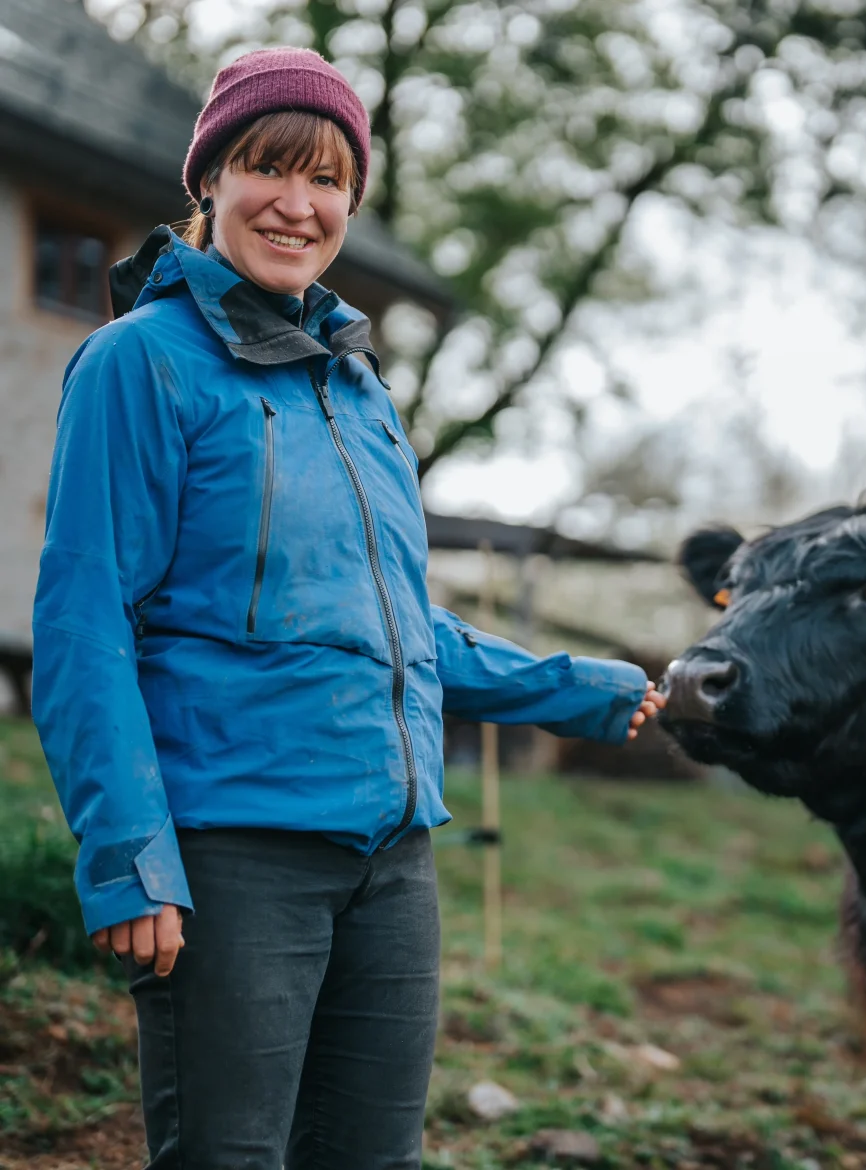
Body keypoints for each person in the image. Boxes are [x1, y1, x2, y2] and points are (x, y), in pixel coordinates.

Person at [31, 47, 665, 1170]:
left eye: (326, 179)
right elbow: (85, 628)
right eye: (266, 168)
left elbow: (403, 634)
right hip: (236, 856)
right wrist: (132, 859)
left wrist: (592, 692)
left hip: (392, 860)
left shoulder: (358, 389)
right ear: (210, 181)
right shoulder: (140, 365)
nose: (297, 202)